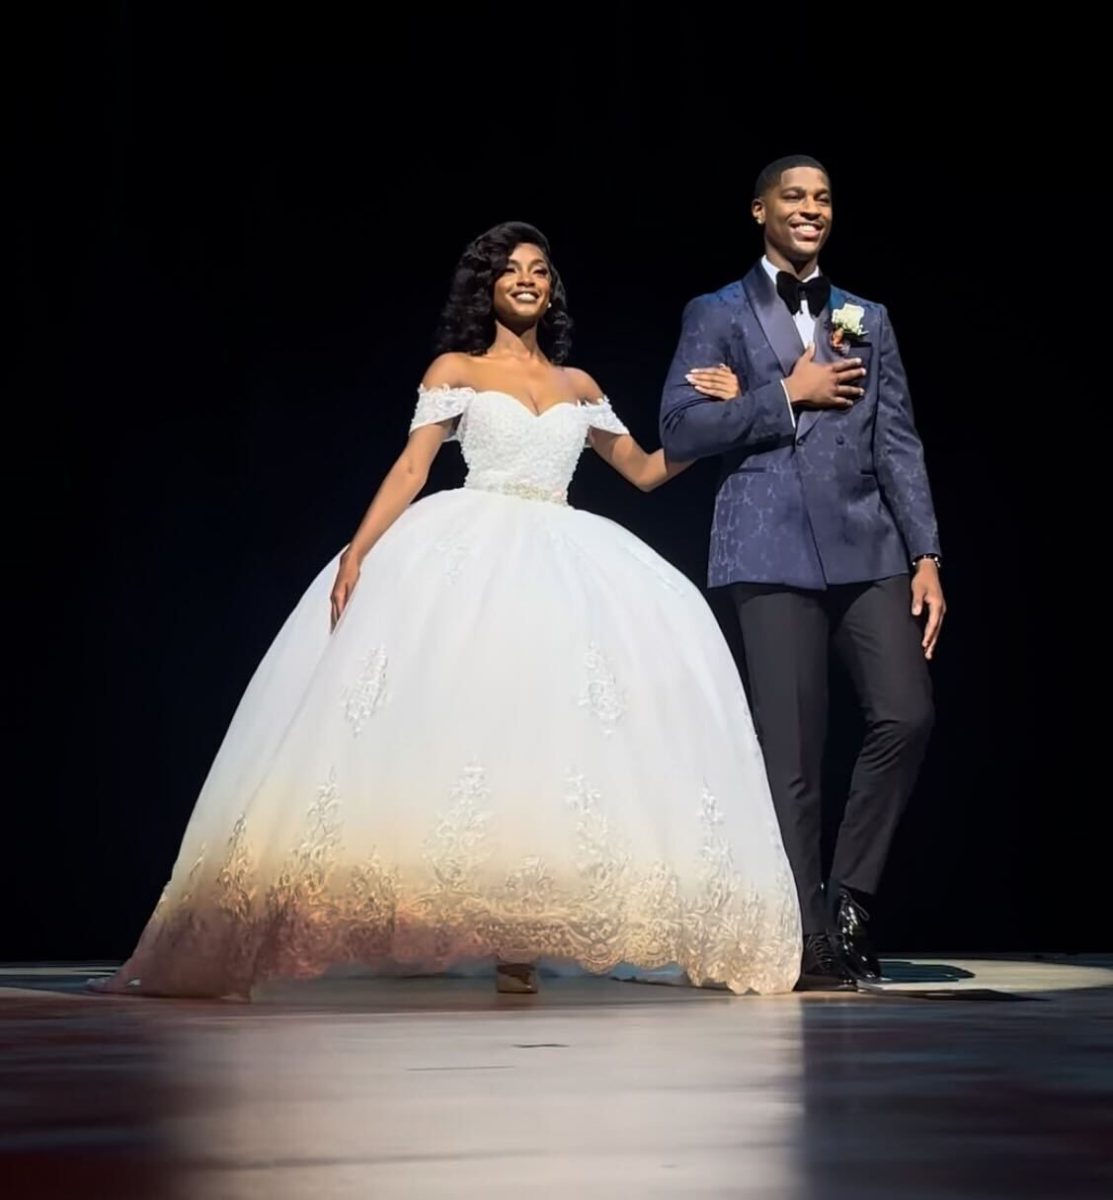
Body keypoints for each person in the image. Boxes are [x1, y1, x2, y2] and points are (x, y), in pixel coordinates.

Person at [92, 221, 800, 1001]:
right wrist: (359, 552)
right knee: (470, 725)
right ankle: (462, 922)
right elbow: (412, 465)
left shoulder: (580, 385)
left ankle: (522, 939)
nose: (528, 279)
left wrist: (746, 410)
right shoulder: (456, 369)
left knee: (547, 736)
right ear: (488, 287)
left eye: (539, 270)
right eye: (511, 271)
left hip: (564, 557)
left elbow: (641, 469)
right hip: (471, 542)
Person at [660, 158, 945, 991]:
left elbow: (897, 442)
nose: (810, 209)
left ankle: (849, 896)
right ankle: (808, 933)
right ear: (759, 210)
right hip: (768, 544)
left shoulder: (866, 317)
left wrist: (926, 555)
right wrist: (783, 393)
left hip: (868, 547)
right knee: (792, 754)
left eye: (822, 198)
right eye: (794, 196)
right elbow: (678, 426)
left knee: (907, 714)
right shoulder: (714, 312)